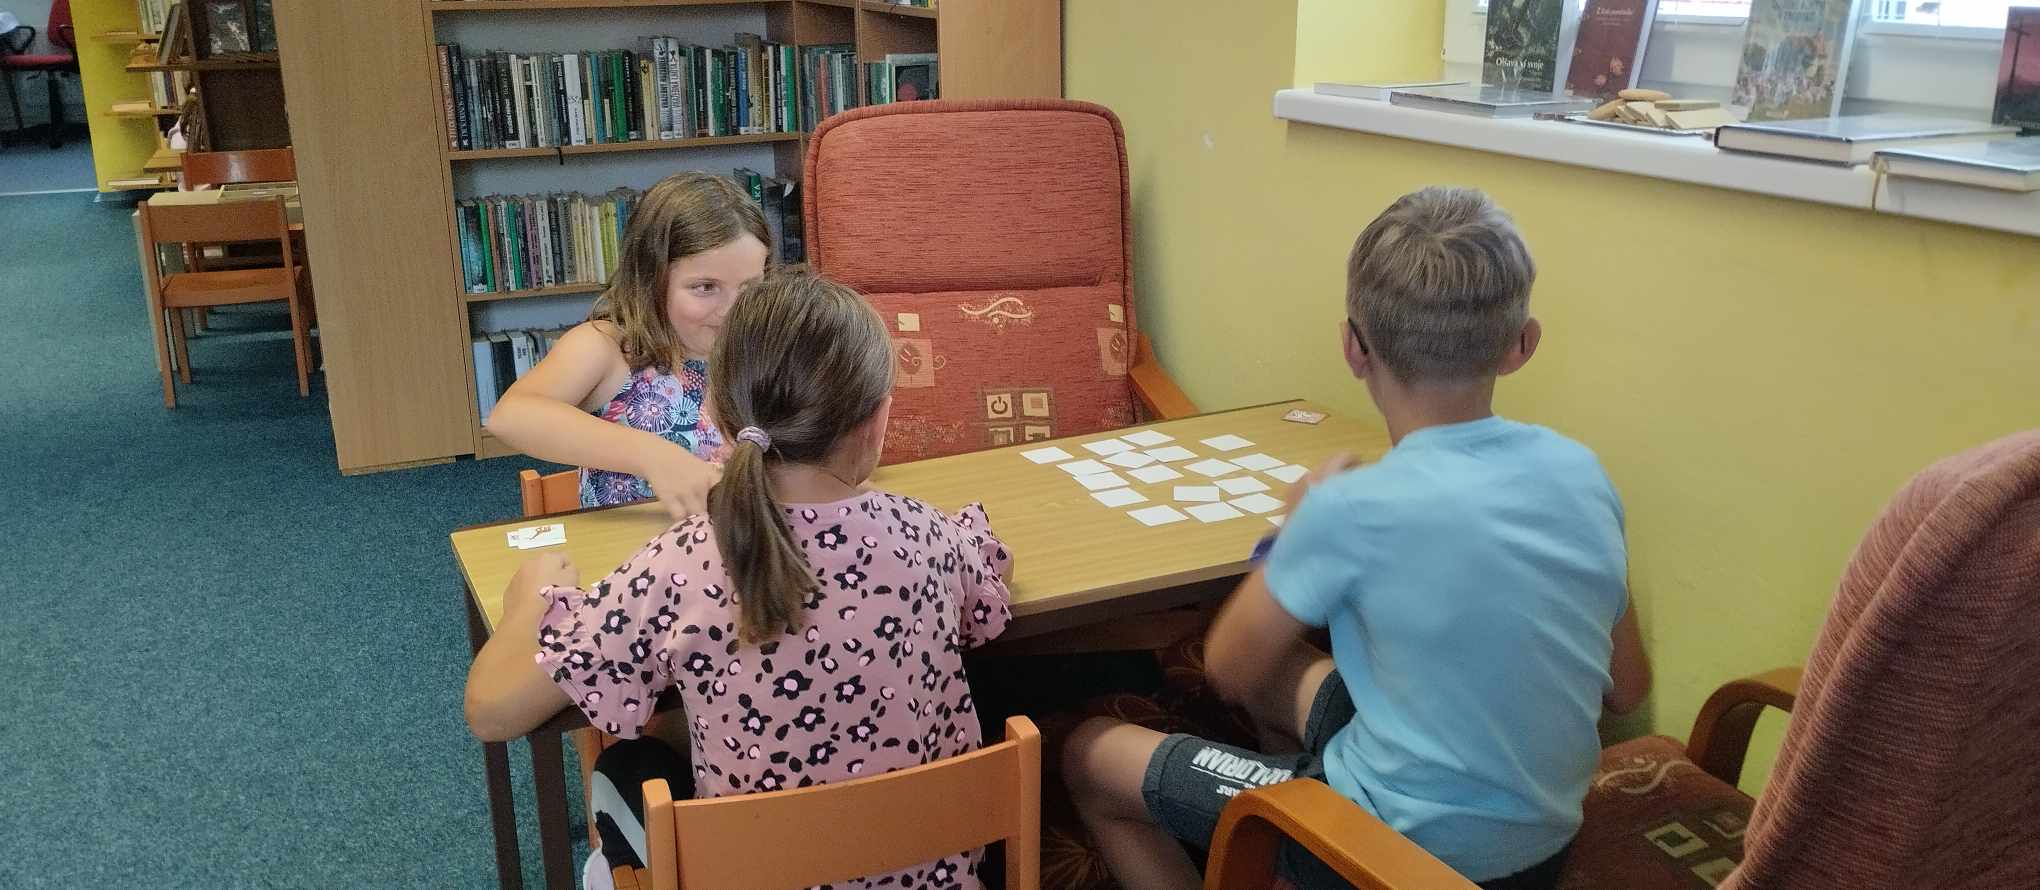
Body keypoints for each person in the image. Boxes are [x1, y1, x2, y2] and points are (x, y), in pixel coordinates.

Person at [1061, 187, 1652, 890]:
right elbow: (1627, 690)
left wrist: (1293, 536)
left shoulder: (1348, 510)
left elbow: (1226, 666)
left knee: (1090, 754)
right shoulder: (1584, 473)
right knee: (1289, 672)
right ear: (1522, 344)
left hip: (1389, 855)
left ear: (1352, 347)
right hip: (1540, 845)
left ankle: (1296, 846)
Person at [464, 270, 1016, 890]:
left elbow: (491, 712)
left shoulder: (678, 564)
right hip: (938, 877)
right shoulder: (928, 535)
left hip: (754, 872)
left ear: (715, 417)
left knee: (628, 766)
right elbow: (989, 586)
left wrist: (527, 606)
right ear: (878, 418)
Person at [485, 172, 771, 517]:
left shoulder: (767, 349)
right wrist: (652, 456)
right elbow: (511, 416)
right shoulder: (607, 347)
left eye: (750, 287)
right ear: (652, 279)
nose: (731, 310)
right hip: (631, 548)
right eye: (705, 287)